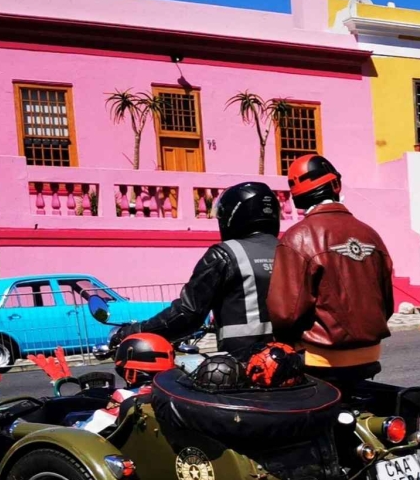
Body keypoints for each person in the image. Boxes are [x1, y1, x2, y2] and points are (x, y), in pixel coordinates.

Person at [268, 153, 395, 392]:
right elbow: (387, 303)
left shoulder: (298, 237)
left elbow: (285, 314)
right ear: (335, 184)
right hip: (370, 352)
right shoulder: (371, 235)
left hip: (321, 356)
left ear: (297, 195)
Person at [111, 182, 280, 356]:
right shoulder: (291, 249)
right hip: (291, 364)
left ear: (233, 214)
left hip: (244, 365)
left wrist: (134, 331)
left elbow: (187, 314)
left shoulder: (225, 254)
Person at [79, 333, 174, 434]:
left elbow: (89, 430)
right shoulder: (175, 392)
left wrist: (73, 425)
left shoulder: (125, 396)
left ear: (131, 371)